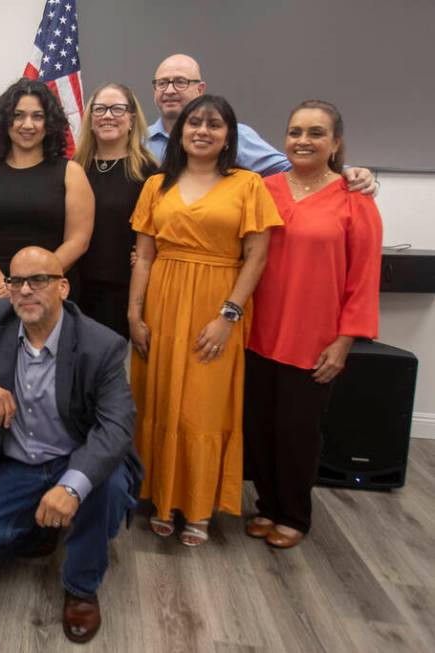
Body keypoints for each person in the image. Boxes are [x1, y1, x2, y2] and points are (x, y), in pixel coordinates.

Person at [0, 246, 141, 644]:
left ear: (63, 287)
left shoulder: (100, 345)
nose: (24, 290)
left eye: (37, 280)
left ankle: (81, 587)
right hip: (17, 465)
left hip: (74, 458)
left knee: (103, 486)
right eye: (15, 281)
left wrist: (72, 487)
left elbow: (115, 427)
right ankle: (44, 526)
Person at [128, 95, 283, 546]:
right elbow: (143, 256)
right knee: (156, 401)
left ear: (229, 136)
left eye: (214, 125)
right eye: (194, 123)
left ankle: (198, 507)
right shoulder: (156, 184)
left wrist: (228, 316)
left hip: (218, 303)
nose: (201, 131)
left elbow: (256, 256)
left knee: (203, 406)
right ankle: (159, 498)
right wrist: (134, 314)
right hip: (162, 300)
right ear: (179, 132)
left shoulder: (248, 184)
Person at [244, 100, 382, 548]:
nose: (303, 141)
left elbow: (363, 280)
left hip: (313, 339)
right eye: (295, 132)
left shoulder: (354, 200)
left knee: (298, 432)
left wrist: (344, 343)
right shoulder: (263, 188)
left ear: (336, 142)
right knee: (260, 426)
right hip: (257, 332)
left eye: (316, 133)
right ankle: (266, 506)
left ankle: (294, 515)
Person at [146, 54, 377, 194]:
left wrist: (349, 173)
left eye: (180, 82)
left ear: (200, 88)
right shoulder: (140, 140)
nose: (169, 90)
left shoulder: (233, 136)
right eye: (162, 83)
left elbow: (290, 167)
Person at [0, 78, 94, 302]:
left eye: (38, 116)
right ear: (5, 121)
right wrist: (5, 287)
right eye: (18, 115)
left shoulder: (71, 173)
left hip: (50, 293)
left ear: (49, 123)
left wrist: (35, 282)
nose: (28, 124)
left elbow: (78, 240)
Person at [72, 83, 157, 338]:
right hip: (74, 287)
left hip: (123, 291)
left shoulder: (149, 173)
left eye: (117, 109)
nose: (108, 116)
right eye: (100, 109)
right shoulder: (73, 169)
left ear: (132, 118)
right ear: (90, 119)